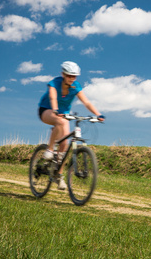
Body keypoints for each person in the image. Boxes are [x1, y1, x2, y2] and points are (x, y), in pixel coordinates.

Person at [38, 61, 104, 190]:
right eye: (69, 76)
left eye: (74, 76)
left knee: (65, 144)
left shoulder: (76, 86)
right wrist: (56, 109)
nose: (72, 79)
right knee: (60, 121)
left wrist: (98, 114)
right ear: (63, 74)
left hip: (64, 115)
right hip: (47, 110)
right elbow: (53, 97)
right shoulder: (55, 83)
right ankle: (50, 150)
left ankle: (58, 175)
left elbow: (86, 102)